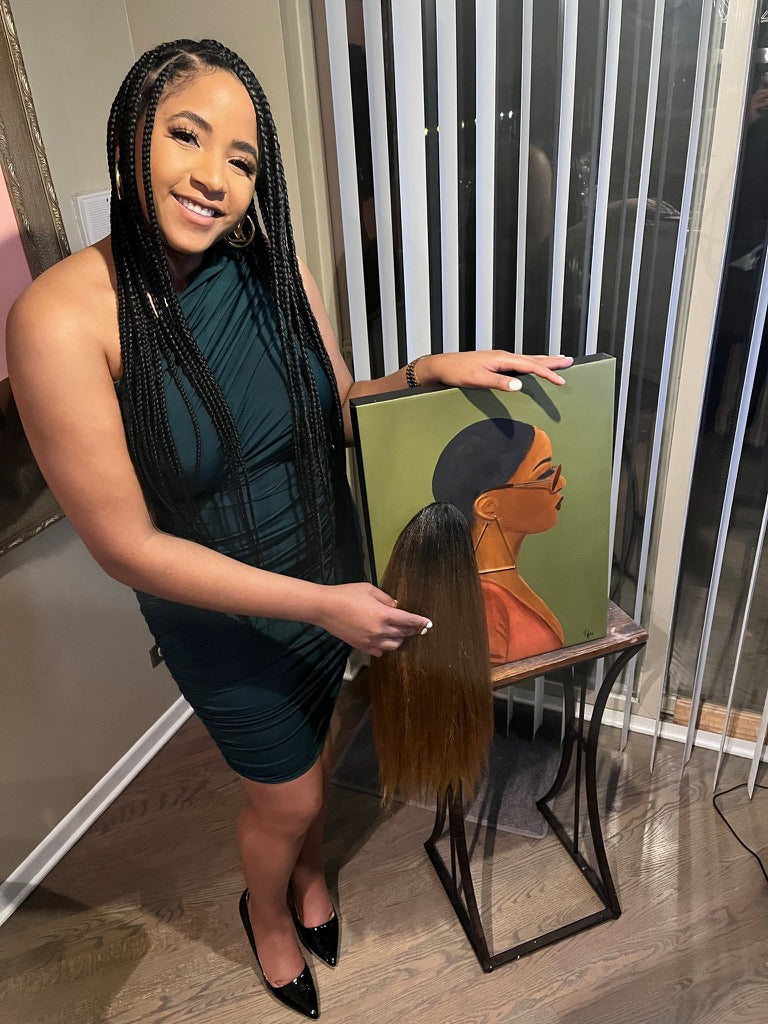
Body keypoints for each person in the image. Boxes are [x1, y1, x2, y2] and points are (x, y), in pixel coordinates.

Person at [6, 39, 572, 1020]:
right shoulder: (59, 318)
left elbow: (335, 413)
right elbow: (124, 545)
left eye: (242, 158)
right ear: (132, 134)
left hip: (326, 564)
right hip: (221, 610)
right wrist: (320, 605)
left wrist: (424, 375)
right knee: (291, 795)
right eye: (187, 135)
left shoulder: (274, 268)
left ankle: (311, 877)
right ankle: (267, 913)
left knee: (315, 750)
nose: (214, 177)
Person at [432, 418, 566, 664]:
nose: (561, 482)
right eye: (545, 474)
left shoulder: (501, 582)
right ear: (488, 507)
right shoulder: (488, 604)